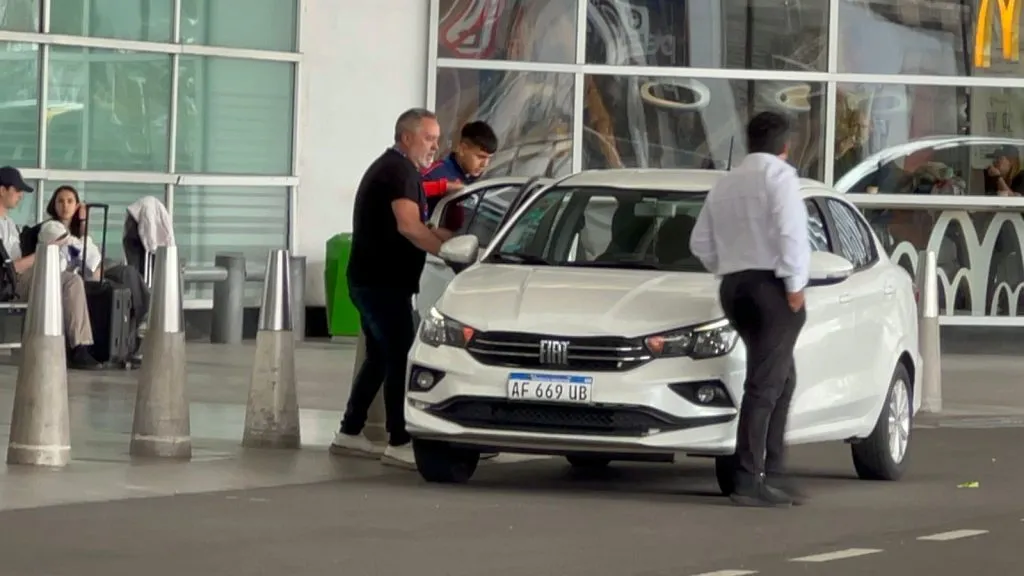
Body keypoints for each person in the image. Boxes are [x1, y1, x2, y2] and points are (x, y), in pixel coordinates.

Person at [689, 111, 810, 508]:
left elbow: (700, 243)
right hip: (771, 288)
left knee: (781, 377)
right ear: (785, 146)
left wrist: (727, 266)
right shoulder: (781, 177)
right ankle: (748, 477)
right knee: (765, 384)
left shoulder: (727, 182)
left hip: (734, 286)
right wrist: (795, 286)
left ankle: (772, 469)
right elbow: (792, 233)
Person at [331, 108, 454, 468]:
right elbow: (408, 227)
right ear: (407, 137)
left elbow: (416, 224)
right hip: (381, 283)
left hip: (372, 279)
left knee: (380, 356)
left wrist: (438, 234)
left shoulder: (394, 168)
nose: (435, 146)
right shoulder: (399, 172)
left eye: (436, 138)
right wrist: (450, 254)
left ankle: (350, 431)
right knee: (401, 354)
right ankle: (399, 439)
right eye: (429, 138)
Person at [0, 167, 101, 370]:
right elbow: (8, 268)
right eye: (17, 190)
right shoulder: (47, 228)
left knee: (70, 280)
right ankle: (78, 346)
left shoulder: (9, 223)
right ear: (2, 190)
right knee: (70, 282)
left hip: (21, 278)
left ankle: (77, 344)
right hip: (10, 282)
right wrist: (43, 253)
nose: (20, 196)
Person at [37, 185, 151, 358]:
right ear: (54, 205)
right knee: (109, 277)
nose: (65, 206)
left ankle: (143, 320)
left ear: (77, 206)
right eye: (60, 201)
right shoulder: (50, 228)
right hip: (73, 273)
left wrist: (83, 229)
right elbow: (80, 250)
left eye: (70, 201)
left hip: (92, 269)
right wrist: (87, 245)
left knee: (127, 273)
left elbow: (89, 252)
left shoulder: (75, 231)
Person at [421, 120, 499, 218]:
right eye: (480, 157)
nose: (485, 164)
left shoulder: (474, 177)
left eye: (489, 158)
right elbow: (409, 190)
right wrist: (443, 187)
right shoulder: (436, 172)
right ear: (462, 149)